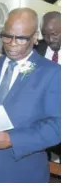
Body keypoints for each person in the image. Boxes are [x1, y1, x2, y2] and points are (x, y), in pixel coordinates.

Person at [0, 8, 60, 183]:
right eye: (7, 36)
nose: (11, 43)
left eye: (21, 38)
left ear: (35, 37)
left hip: (22, 173)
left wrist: (13, 140)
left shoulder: (52, 72)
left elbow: (57, 125)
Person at [37, 11, 61, 163]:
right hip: (39, 120)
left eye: (55, 34)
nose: (50, 39)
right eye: (45, 35)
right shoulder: (37, 50)